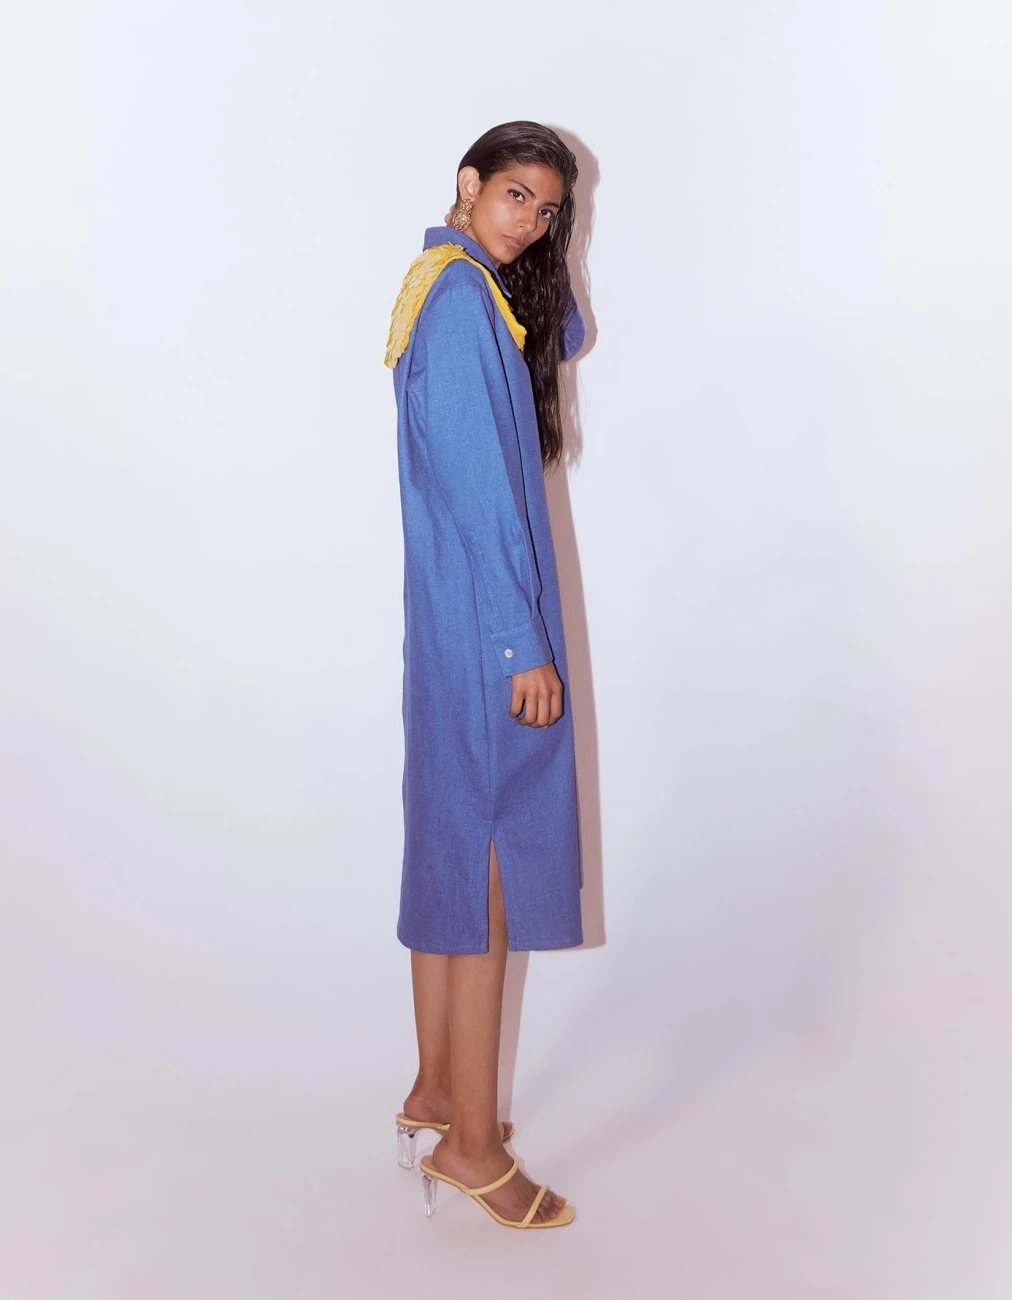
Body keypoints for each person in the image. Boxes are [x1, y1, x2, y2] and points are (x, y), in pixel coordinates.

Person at [384, 121, 587, 1230]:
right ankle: (470, 1147)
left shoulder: (454, 285)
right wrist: (523, 645)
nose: (532, 223)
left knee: (454, 846)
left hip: (451, 628)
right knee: (492, 868)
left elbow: (571, 330)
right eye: (516, 196)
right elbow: (475, 488)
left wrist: (544, 254)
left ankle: (433, 1088)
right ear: (467, 185)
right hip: (486, 635)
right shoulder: (463, 305)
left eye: (548, 210)